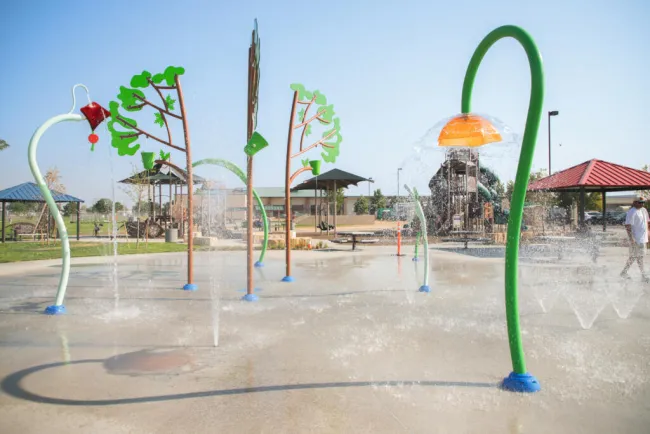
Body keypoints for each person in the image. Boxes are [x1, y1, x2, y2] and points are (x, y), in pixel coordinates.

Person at [620, 197, 649, 282]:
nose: (642, 204)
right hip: (636, 239)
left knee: (634, 257)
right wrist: (631, 238)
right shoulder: (631, 212)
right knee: (639, 257)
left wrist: (648, 233)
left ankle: (624, 272)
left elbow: (646, 222)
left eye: (643, 202)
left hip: (643, 238)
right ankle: (643, 275)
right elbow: (628, 226)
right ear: (635, 202)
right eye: (640, 202)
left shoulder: (644, 210)